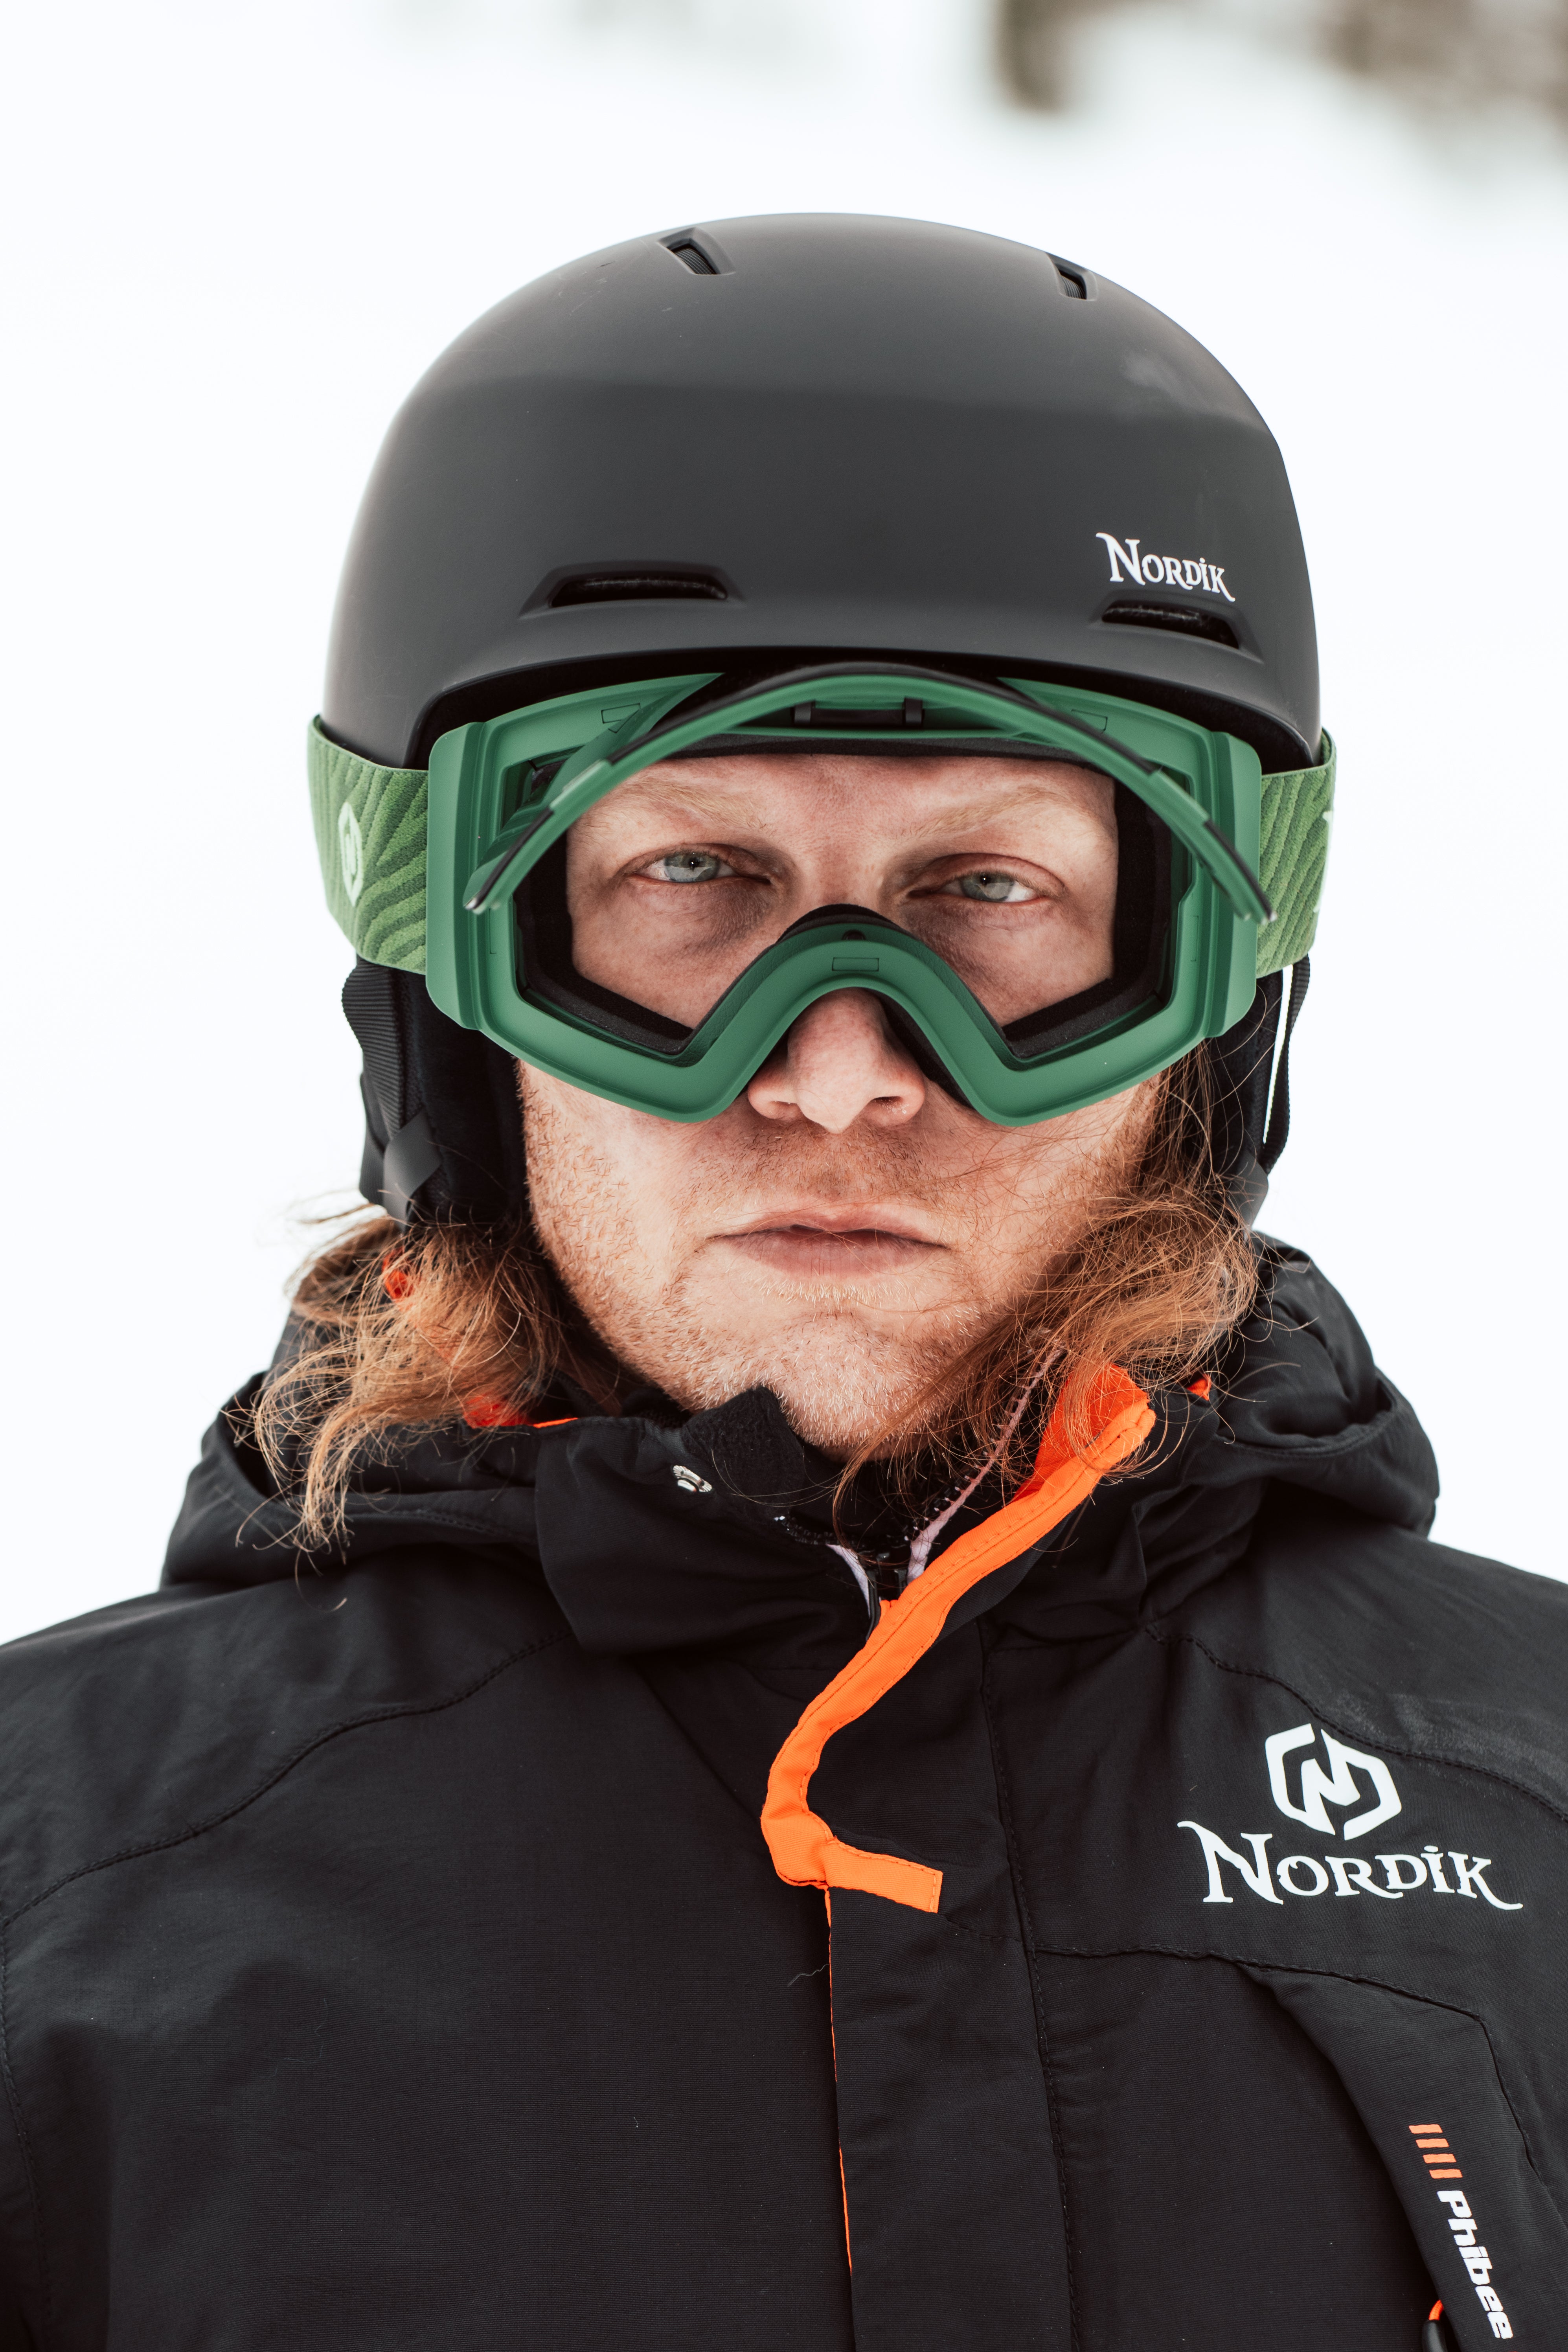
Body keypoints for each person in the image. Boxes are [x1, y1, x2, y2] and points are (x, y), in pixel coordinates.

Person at [0, 216, 1557, 2352]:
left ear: (1211, 1007)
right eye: (694, 876)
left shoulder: (1536, 1797)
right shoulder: (50, 1885)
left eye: (988, 889)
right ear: (450, 996)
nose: (835, 1072)